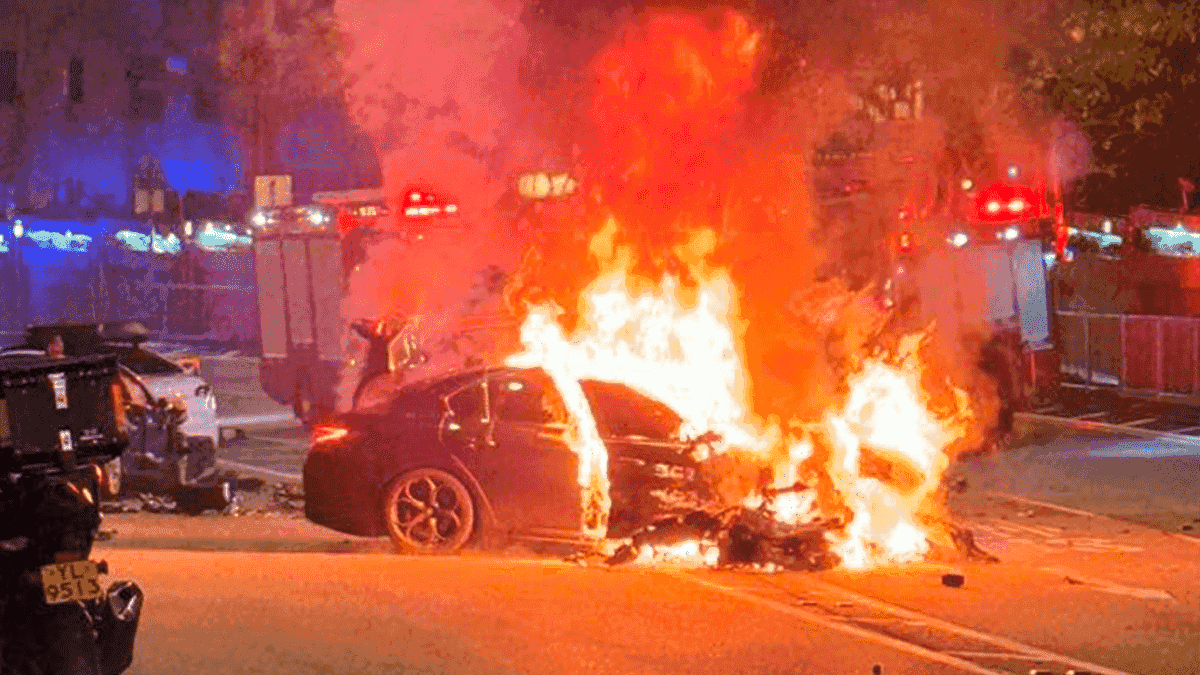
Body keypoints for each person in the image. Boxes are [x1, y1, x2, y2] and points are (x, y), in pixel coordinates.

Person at [350, 315, 406, 409]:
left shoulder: (384, 340)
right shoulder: (374, 338)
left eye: (382, 326)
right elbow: (357, 327)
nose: (380, 328)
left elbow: (397, 330)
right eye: (379, 325)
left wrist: (403, 322)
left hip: (380, 373)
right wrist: (361, 321)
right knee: (361, 394)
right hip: (373, 373)